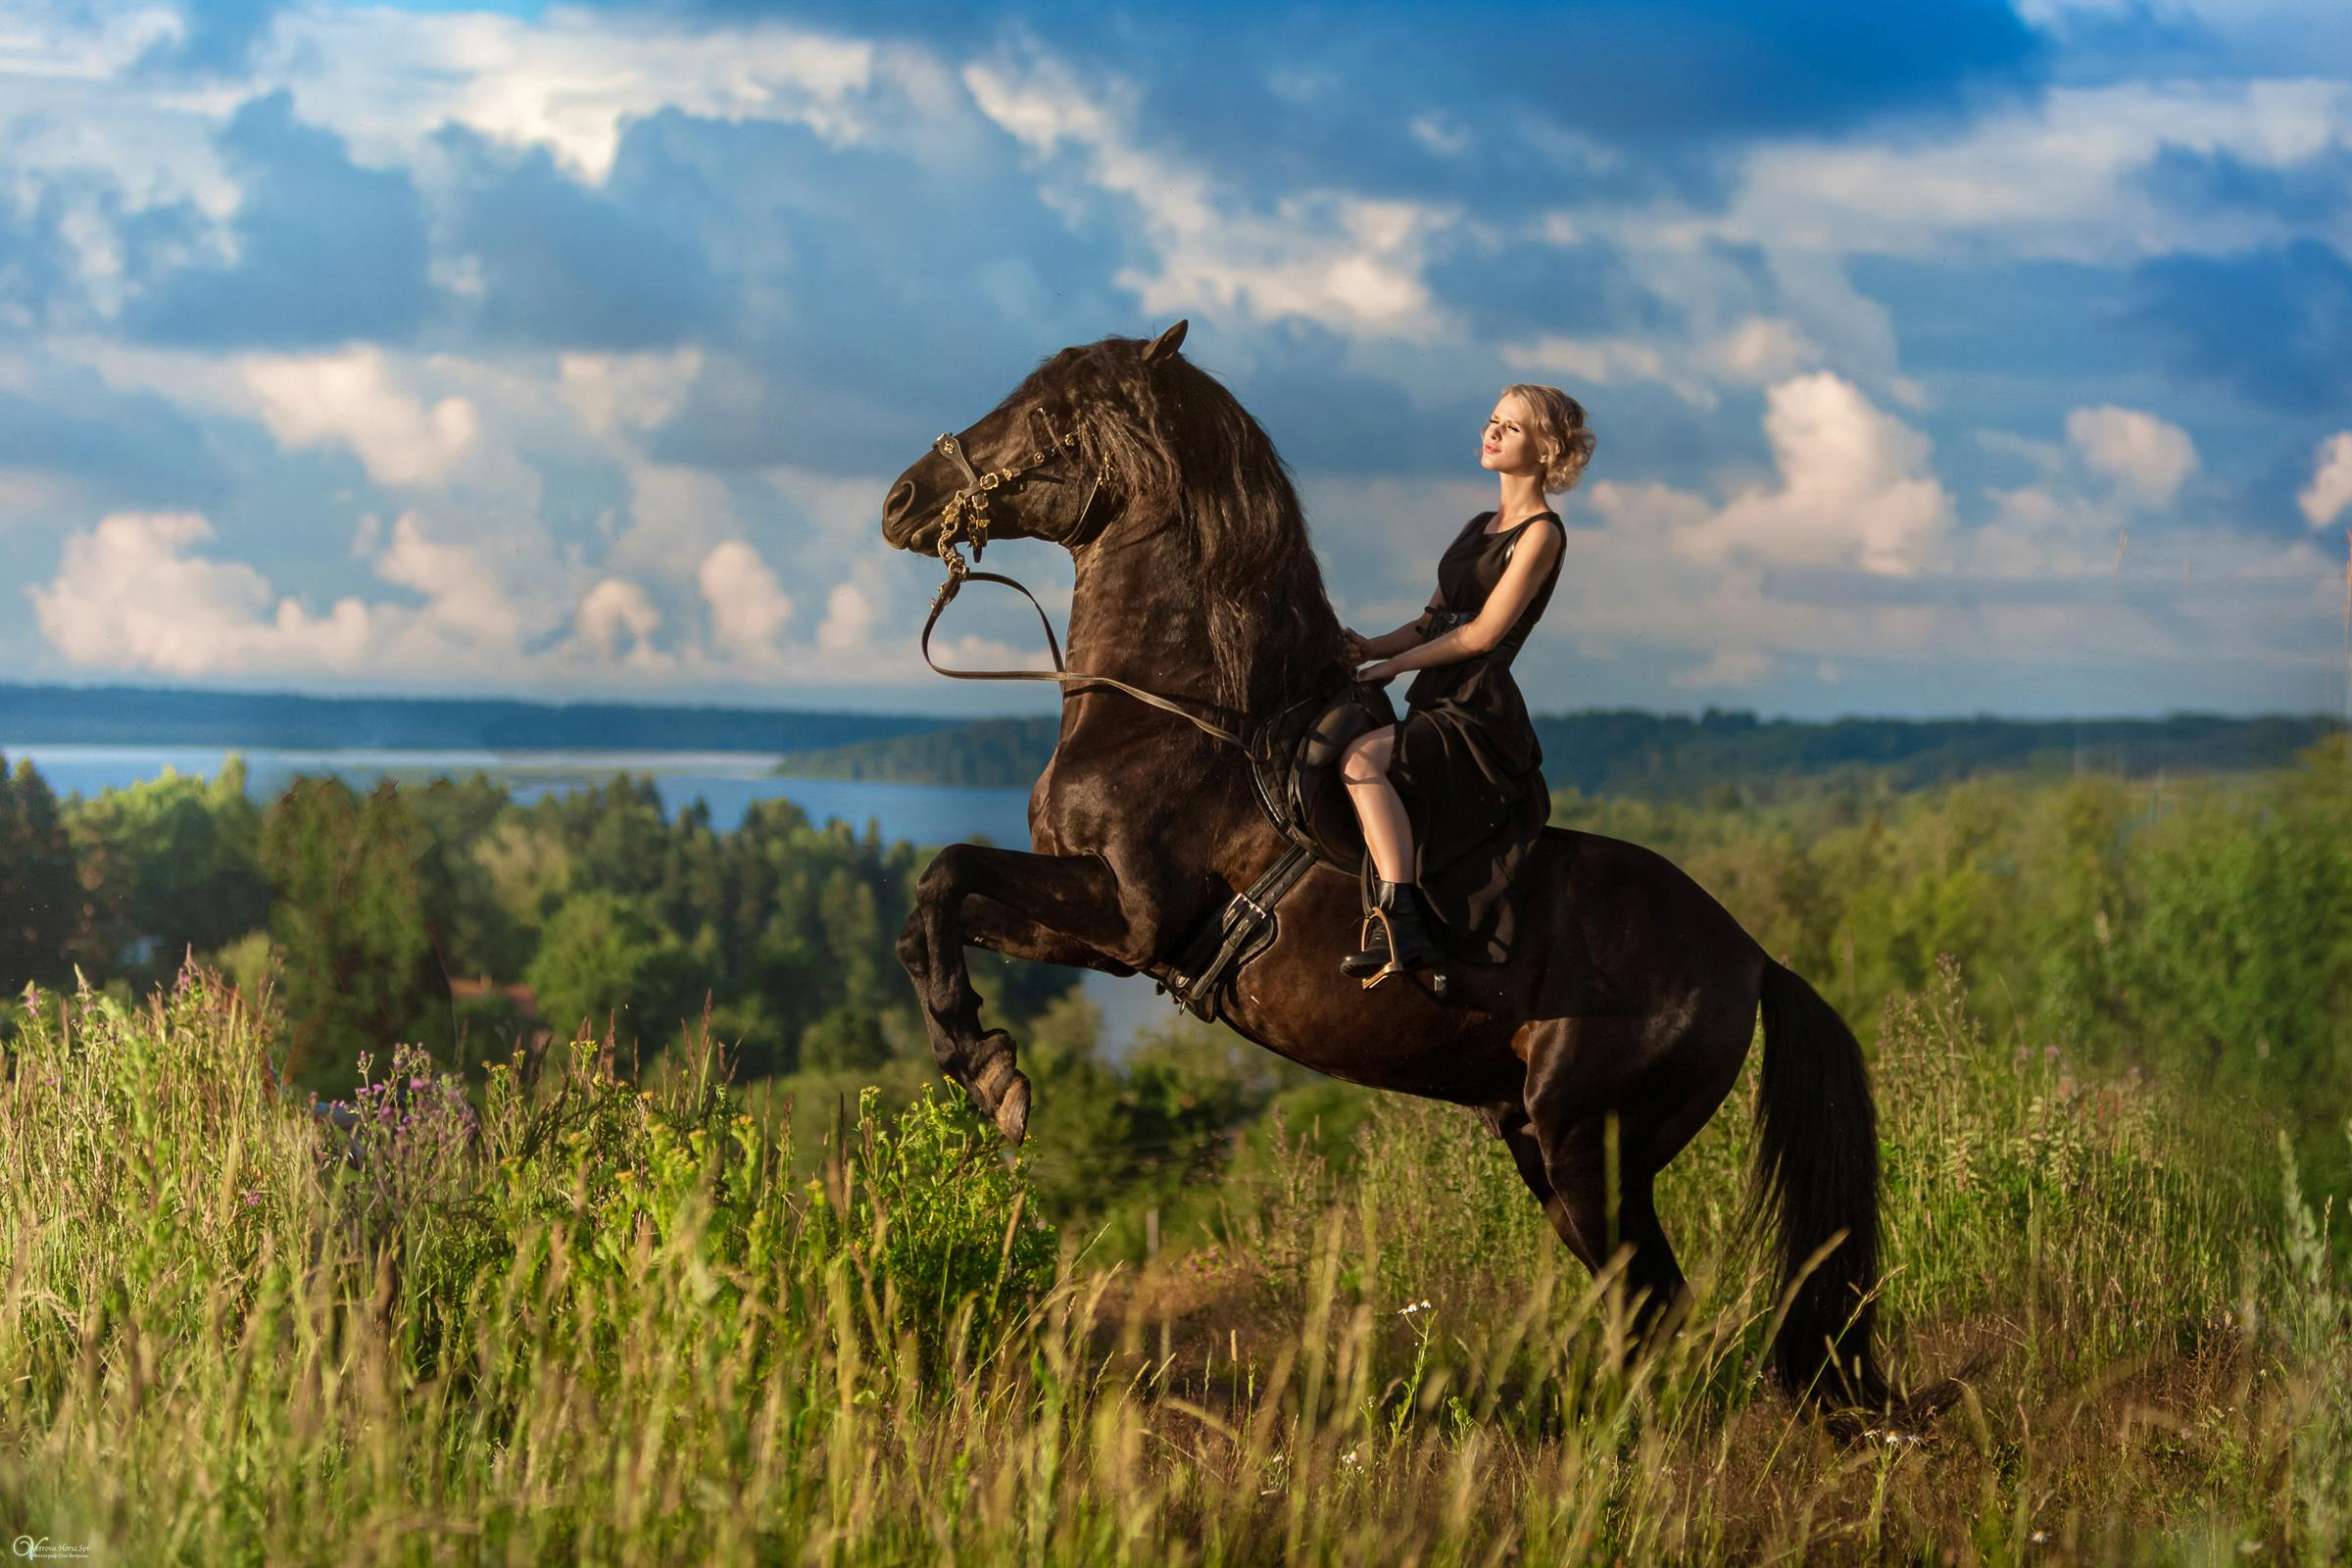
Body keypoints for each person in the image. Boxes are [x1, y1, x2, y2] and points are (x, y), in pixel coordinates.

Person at [1338, 384, 1593, 988]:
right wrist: (1371, 647)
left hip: (1477, 708)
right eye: (1493, 420)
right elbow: (1434, 619)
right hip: (1437, 694)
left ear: (1547, 449)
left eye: (1513, 427)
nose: (1493, 432)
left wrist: (1393, 669)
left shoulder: (1541, 534)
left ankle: (1399, 919)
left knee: (1360, 762)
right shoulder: (1478, 524)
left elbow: (1480, 636)